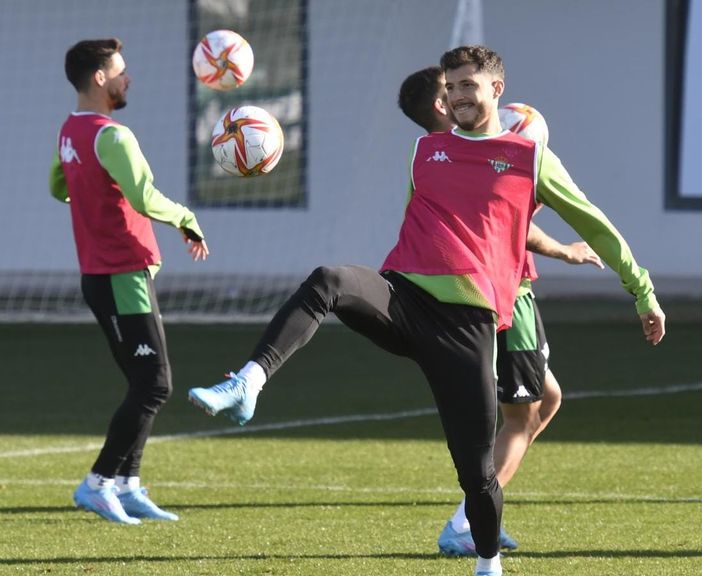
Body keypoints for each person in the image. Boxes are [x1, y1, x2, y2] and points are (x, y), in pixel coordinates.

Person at [187, 45, 664, 576]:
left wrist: (641, 291)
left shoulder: (529, 158)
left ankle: (487, 562)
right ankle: (248, 383)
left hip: (467, 328)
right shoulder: (424, 153)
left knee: (477, 471)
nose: (458, 96)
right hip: (404, 301)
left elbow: (595, 225)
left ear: (495, 91)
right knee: (329, 280)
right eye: (452, 88)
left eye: (468, 86)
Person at [397, 66, 605, 556]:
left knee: (547, 398)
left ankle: (484, 509)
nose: (463, 91)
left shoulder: (436, 157)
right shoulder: (457, 155)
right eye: (454, 88)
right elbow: (510, 225)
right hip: (506, 295)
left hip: (487, 294)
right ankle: (467, 522)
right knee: (520, 414)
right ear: (440, 106)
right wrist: (563, 249)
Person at [50, 38, 210, 524]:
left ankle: (129, 484)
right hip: (121, 275)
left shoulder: (71, 130)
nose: (128, 77)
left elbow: (59, 186)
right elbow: (143, 197)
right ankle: (97, 483)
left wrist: (91, 199)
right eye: (121, 70)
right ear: (100, 78)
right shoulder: (113, 136)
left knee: (143, 382)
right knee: (155, 385)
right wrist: (185, 217)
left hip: (103, 275)